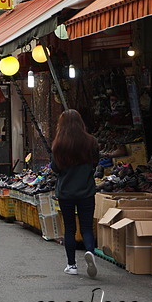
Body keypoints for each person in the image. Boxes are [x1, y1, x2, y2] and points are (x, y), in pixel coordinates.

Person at [51, 109, 100, 278]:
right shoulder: (91, 141)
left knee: (70, 228)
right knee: (86, 227)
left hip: (66, 192)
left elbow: (55, 168)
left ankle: (71, 265)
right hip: (86, 190)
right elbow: (96, 163)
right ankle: (90, 252)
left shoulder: (59, 144)